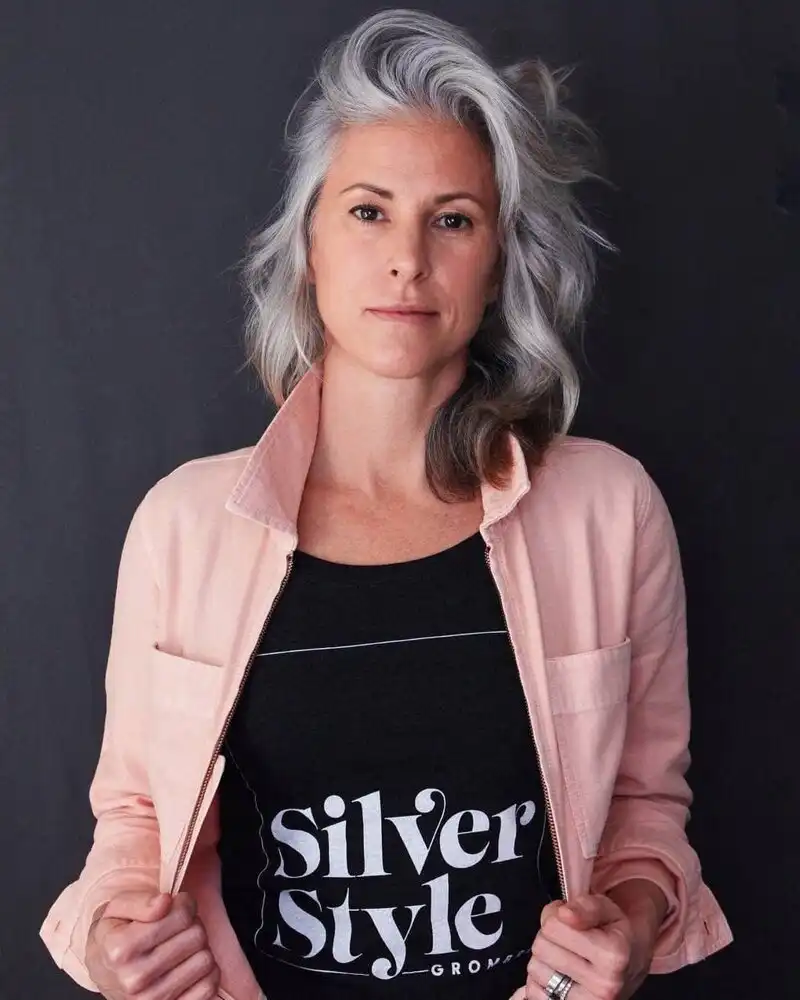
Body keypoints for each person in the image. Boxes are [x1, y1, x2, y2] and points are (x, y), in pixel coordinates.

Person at [39, 8, 732, 1000]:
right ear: (309, 245)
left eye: (453, 219)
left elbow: (644, 810)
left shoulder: (609, 511)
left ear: (498, 262)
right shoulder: (184, 527)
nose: (408, 257)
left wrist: (629, 918)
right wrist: (115, 936)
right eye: (368, 211)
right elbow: (136, 820)